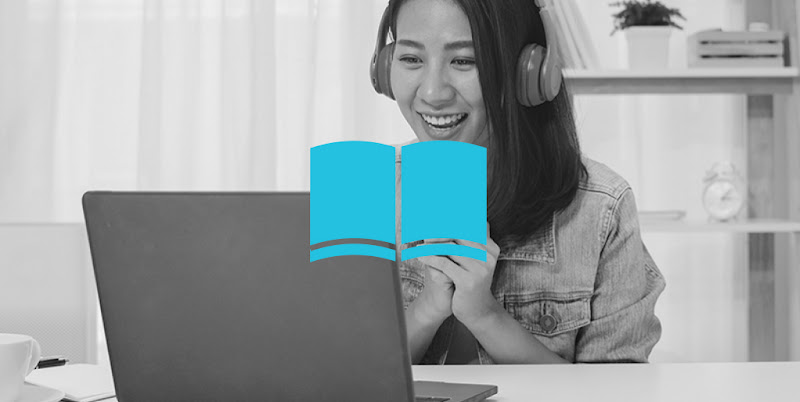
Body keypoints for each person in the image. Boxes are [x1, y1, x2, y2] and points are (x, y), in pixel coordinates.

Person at [371, 0, 665, 364]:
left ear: (529, 72)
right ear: (385, 68)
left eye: (465, 60)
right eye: (411, 59)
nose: (433, 93)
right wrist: (427, 309)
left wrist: (485, 316)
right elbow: (336, 378)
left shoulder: (601, 207)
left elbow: (615, 393)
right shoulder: (363, 189)